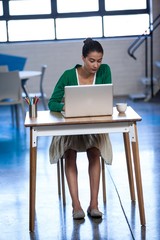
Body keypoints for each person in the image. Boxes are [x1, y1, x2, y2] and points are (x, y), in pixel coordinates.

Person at [48, 38, 113, 220]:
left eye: (99, 61)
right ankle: (76, 205)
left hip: (93, 125)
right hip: (71, 126)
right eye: (92, 60)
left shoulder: (105, 71)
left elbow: (106, 98)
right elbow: (52, 102)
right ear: (83, 58)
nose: (96, 65)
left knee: (94, 152)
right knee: (70, 153)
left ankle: (94, 204)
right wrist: (64, 107)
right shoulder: (68, 75)